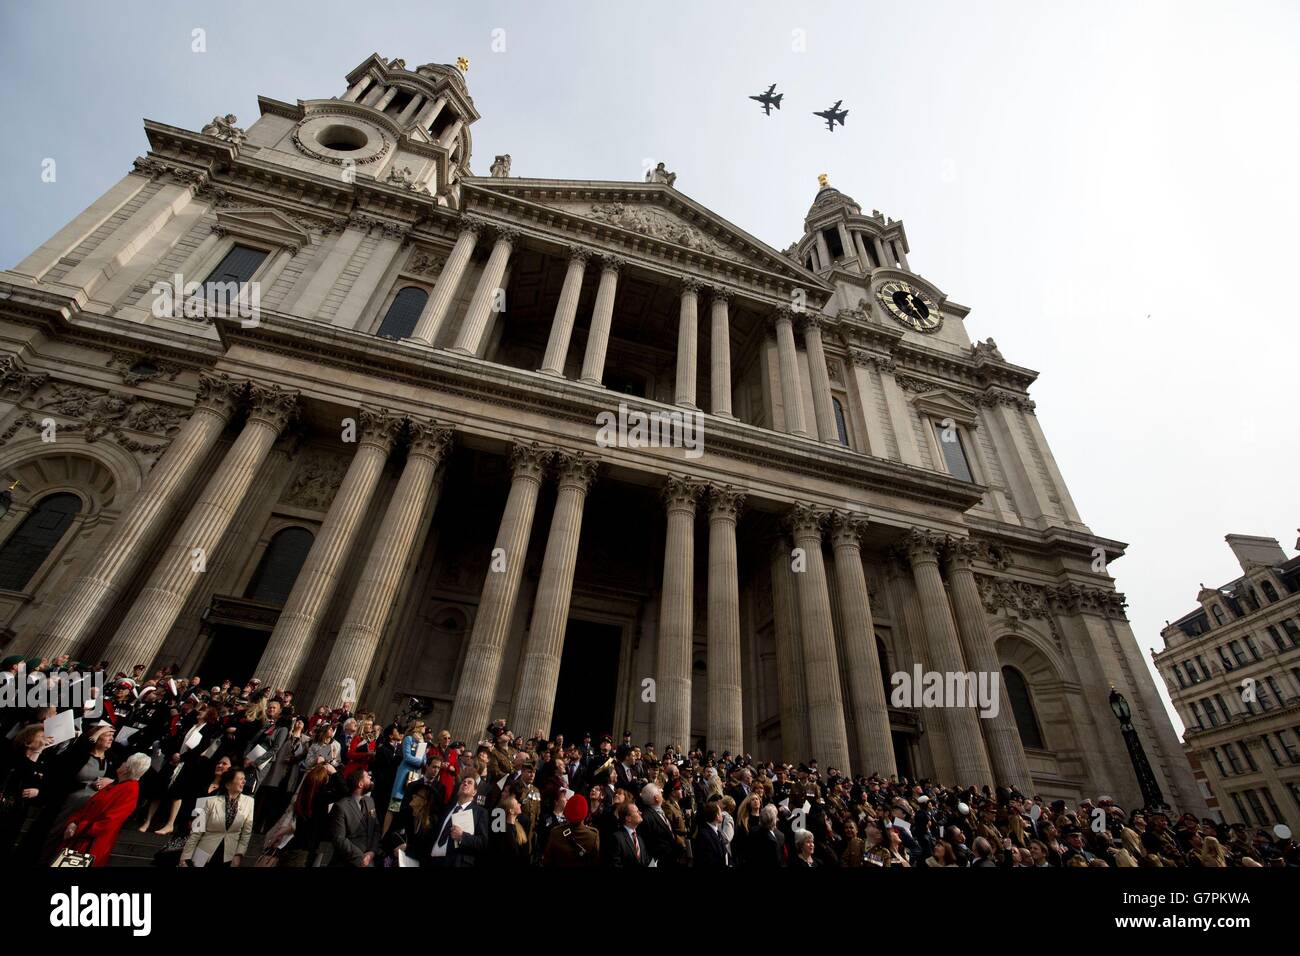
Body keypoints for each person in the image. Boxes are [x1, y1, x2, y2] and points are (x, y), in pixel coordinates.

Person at [54, 752, 151, 866]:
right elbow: (87, 807)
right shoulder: (116, 784)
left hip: (90, 842)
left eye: (126, 762)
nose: (122, 763)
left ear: (127, 769)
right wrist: (73, 822)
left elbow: (109, 821)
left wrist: (78, 828)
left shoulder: (130, 789)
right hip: (79, 837)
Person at [180, 766, 255, 867]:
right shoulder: (210, 802)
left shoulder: (249, 802)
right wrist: (185, 857)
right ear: (228, 784)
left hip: (229, 855)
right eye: (241, 779)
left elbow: (246, 833)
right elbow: (197, 831)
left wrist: (239, 854)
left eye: (244, 779)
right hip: (204, 852)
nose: (244, 782)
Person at [0, 724, 48, 864]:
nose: (45, 740)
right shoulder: (13, 757)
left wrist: (38, 792)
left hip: (18, 811)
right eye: (41, 737)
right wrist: (38, 752)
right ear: (27, 742)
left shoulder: (43, 763)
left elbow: (44, 788)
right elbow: (23, 772)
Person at [428, 774, 488, 866]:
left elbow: (482, 843)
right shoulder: (447, 808)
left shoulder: (480, 813)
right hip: (433, 860)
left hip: (456, 862)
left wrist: (462, 836)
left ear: (474, 792)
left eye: (469, 783)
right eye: (463, 782)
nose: (465, 783)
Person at [327, 767, 379, 867]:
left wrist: (372, 852)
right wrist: (362, 859)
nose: (370, 778)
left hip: (370, 857)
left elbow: (376, 829)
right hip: (350, 861)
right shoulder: (341, 807)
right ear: (360, 784)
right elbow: (339, 839)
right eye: (367, 777)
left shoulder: (370, 801)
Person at [542, 793, 600, 867]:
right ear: (585, 812)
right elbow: (595, 862)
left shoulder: (556, 833)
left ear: (567, 811)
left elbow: (547, 861)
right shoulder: (593, 835)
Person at [488, 794, 530, 867]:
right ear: (511, 811)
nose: (520, 804)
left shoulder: (519, 827)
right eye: (517, 803)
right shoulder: (501, 831)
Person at [609, 800, 648, 867]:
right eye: (637, 811)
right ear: (628, 818)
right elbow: (615, 864)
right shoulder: (617, 838)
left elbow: (645, 861)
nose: (640, 813)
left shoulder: (639, 838)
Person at [693, 800, 730, 867]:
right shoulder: (704, 835)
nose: (722, 814)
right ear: (717, 816)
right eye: (720, 812)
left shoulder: (716, 832)